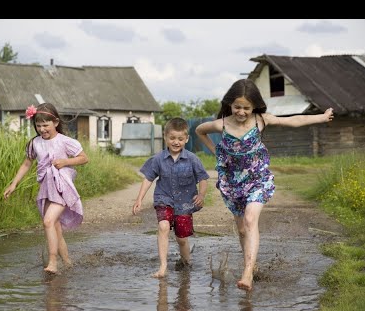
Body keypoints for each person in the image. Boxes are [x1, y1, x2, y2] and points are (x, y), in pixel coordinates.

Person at [195, 79, 334, 291]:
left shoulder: (261, 120)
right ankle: (251, 265)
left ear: (254, 107)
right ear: (230, 105)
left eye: (246, 108)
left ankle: (247, 274)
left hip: (257, 178)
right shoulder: (221, 124)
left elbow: (295, 120)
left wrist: (322, 117)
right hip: (232, 181)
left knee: (251, 220)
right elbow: (199, 131)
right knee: (242, 229)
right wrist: (216, 152)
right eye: (237, 107)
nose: (241, 112)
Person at [4, 103, 89, 274]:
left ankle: (53, 262)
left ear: (55, 122)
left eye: (45, 125)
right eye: (38, 125)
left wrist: (65, 162)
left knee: (48, 221)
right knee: (55, 228)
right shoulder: (35, 143)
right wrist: (14, 183)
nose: (42, 129)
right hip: (47, 188)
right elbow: (27, 163)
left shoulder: (64, 141)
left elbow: (83, 158)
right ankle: (68, 264)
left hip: (63, 187)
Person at [132, 117, 209, 278]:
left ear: (186, 139)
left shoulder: (192, 159)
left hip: (186, 203)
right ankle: (163, 267)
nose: (176, 142)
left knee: (181, 239)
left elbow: (203, 178)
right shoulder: (158, 159)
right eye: (172, 138)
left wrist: (201, 194)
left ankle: (187, 263)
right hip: (164, 199)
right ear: (165, 138)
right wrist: (139, 199)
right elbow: (148, 179)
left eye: (180, 139)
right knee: (163, 227)